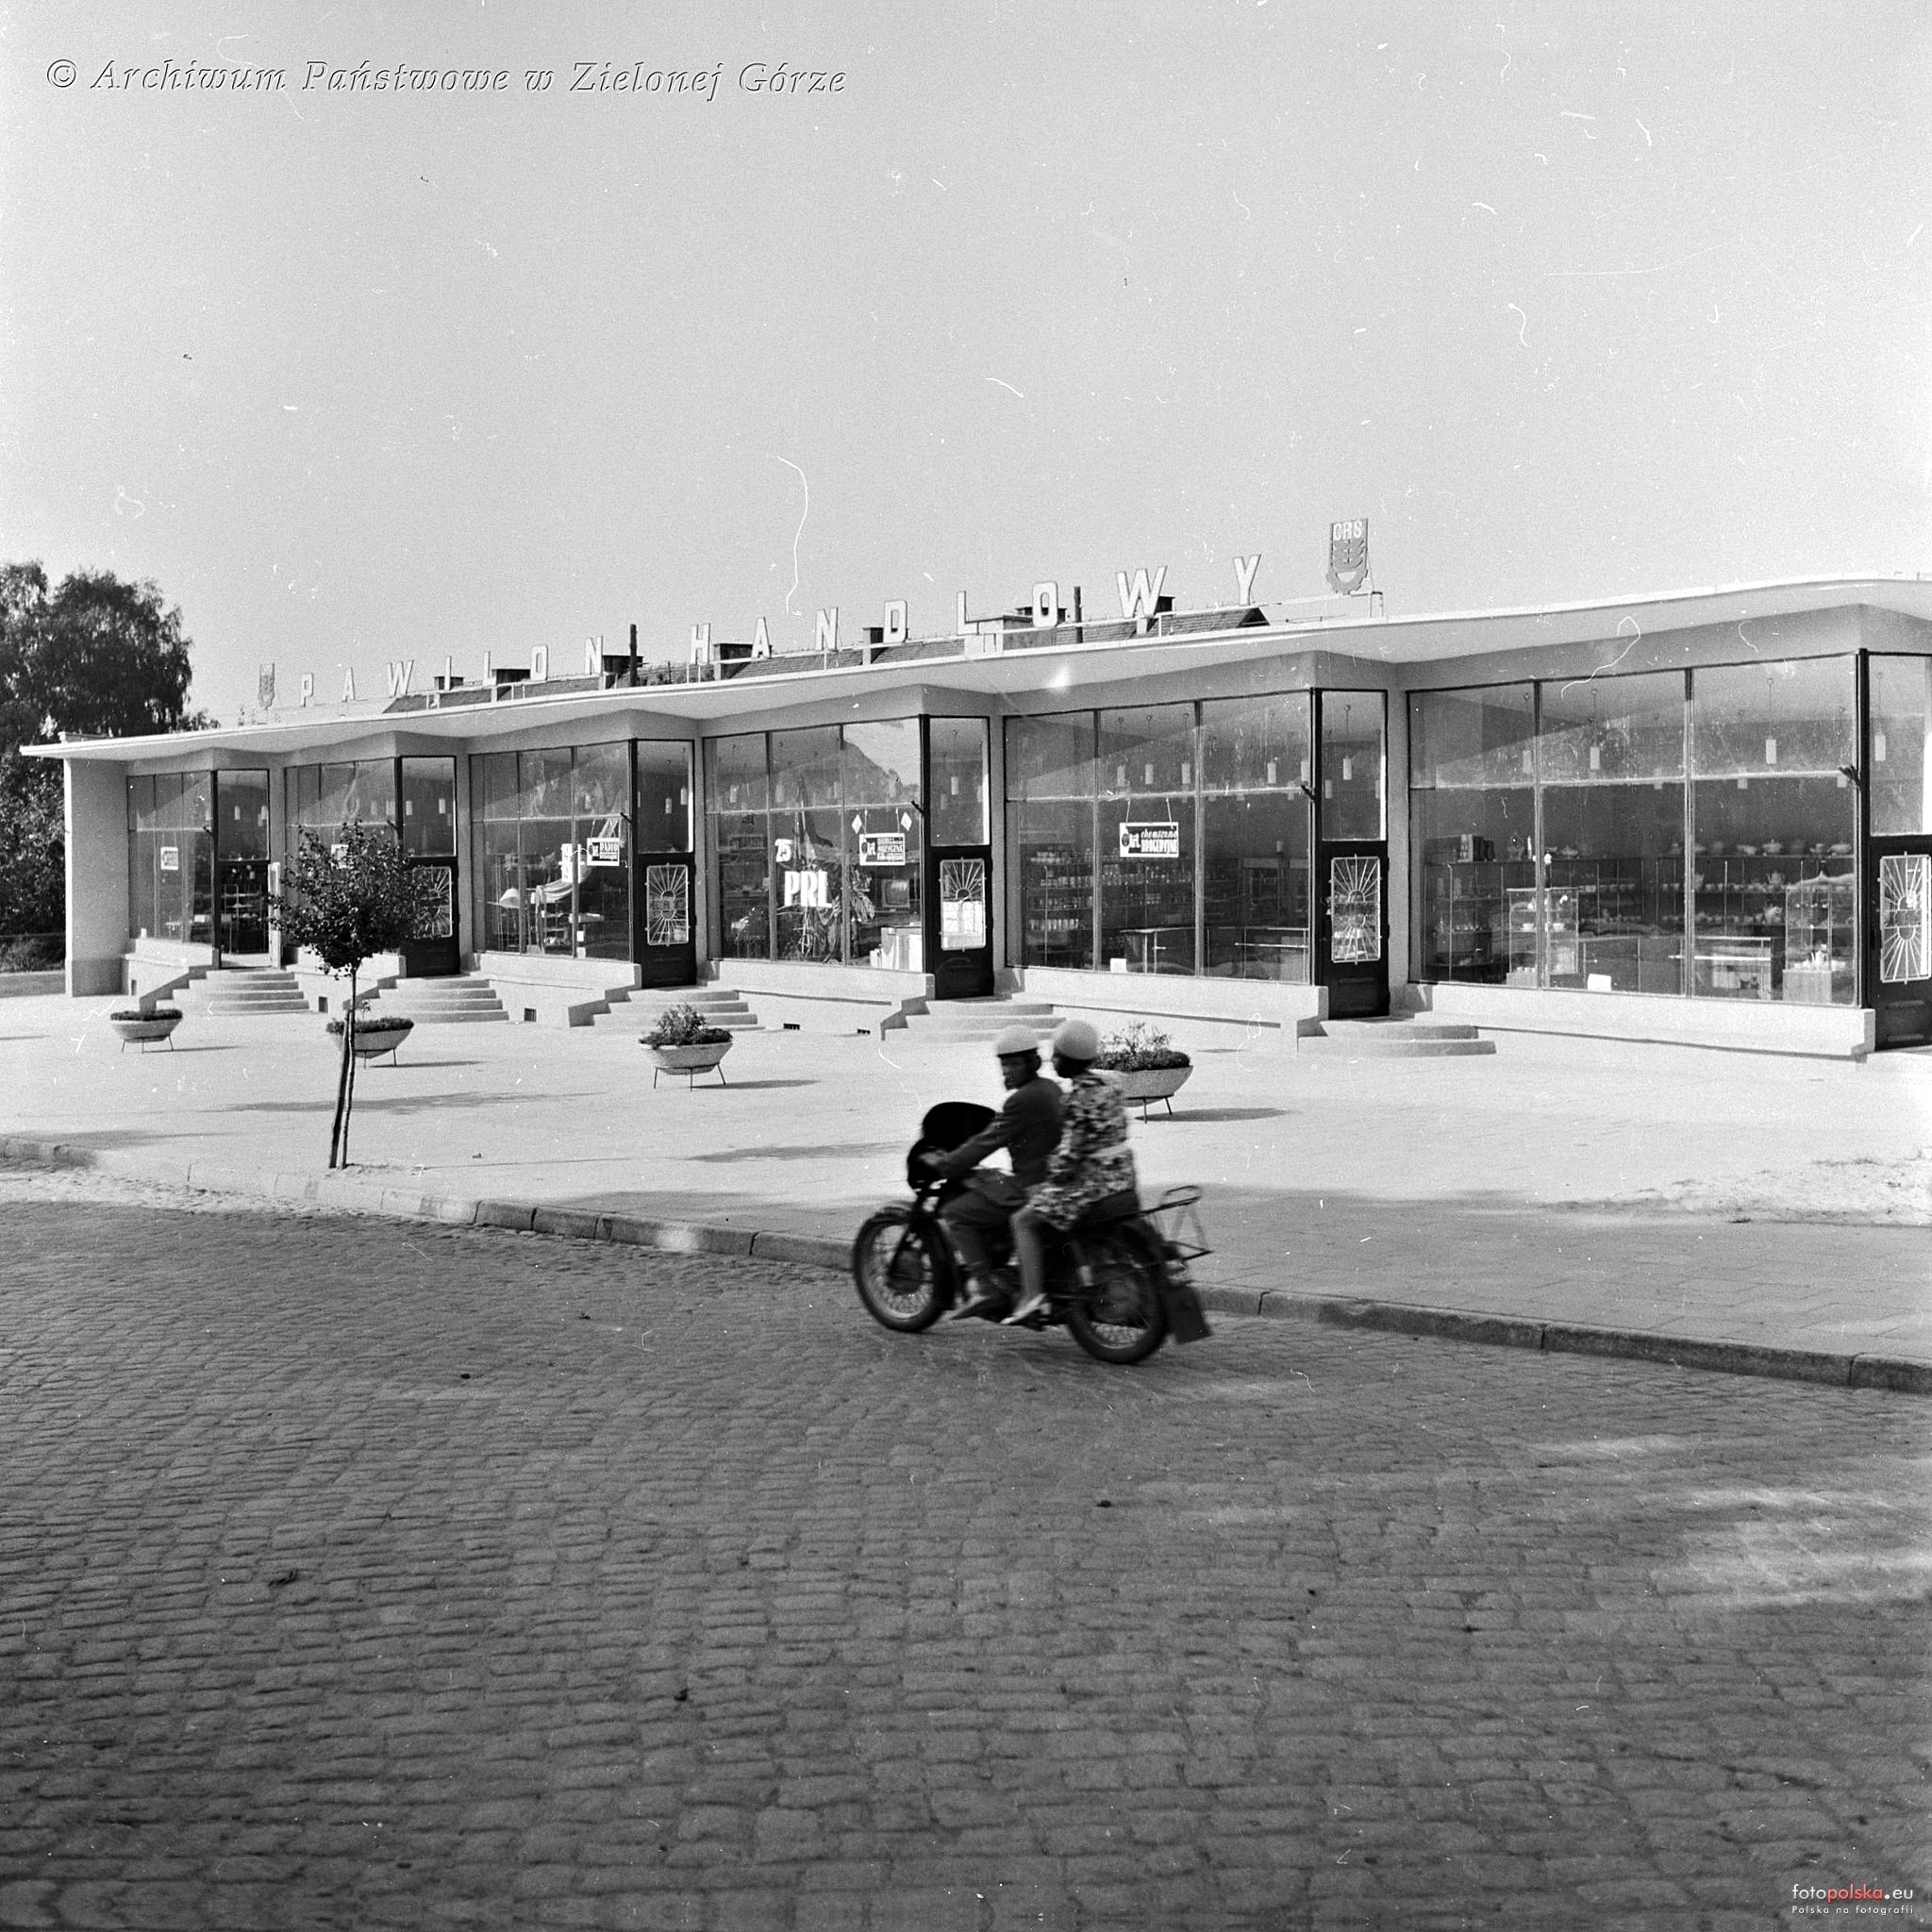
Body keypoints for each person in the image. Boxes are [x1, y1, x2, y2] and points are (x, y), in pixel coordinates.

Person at [921, 1025, 1063, 1321]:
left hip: (1032, 1186)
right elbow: (1002, 1128)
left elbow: (987, 1141)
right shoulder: (1049, 1089)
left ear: (1032, 1063)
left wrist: (946, 1164)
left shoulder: (1022, 1100)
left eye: (1014, 1064)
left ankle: (984, 1287)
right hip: (1051, 1179)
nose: (1007, 1071)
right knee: (989, 1182)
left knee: (955, 1212)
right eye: (1004, 1064)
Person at [1005, 1017, 1138, 1326]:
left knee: (1022, 1220)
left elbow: (1070, 1155)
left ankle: (1032, 1297)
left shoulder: (1077, 1098)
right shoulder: (1111, 1085)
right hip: (1123, 1177)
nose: (1053, 1061)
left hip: (1092, 1185)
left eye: (1057, 1055)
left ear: (1068, 1060)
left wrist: (1049, 1170)